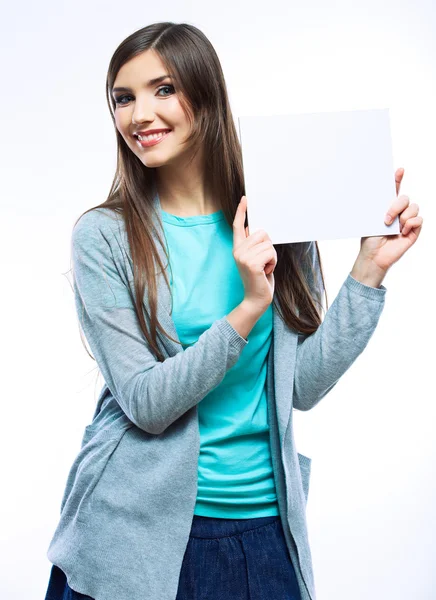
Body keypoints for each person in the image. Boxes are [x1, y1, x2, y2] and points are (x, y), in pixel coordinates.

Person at [43, 21, 423, 600]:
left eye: (162, 89)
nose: (139, 113)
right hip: (133, 535)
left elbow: (301, 386)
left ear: (207, 94)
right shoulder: (105, 236)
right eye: (124, 98)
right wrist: (249, 307)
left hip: (265, 532)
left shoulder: (279, 211)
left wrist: (370, 270)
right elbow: (146, 403)